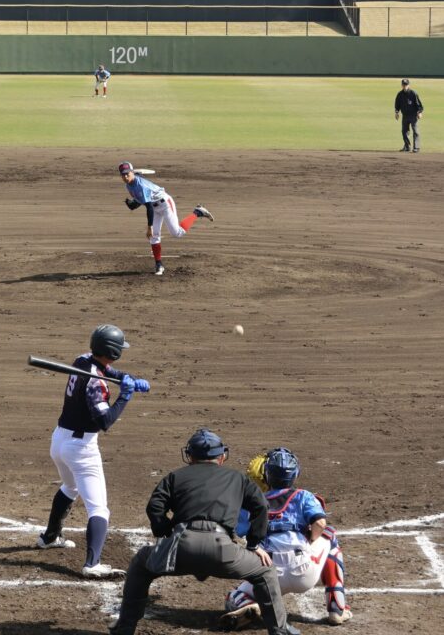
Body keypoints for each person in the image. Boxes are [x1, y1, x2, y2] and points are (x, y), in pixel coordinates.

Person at [109, 429, 299, 635]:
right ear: (222, 456)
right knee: (265, 571)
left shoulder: (175, 476)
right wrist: (253, 544)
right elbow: (261, 506)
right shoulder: (237, 478)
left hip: (181, 548)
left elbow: (155, 506)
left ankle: (125, 628)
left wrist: (165, 532)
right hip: (223, 550)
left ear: (190, 456)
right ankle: (279, 630)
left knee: (140, 564)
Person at [35, 324, 150, 578]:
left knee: (70, 487)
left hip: (59, 440)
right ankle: (92, 564)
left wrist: (127, 378)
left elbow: (108, 371)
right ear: (113, 351)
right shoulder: (96, 384)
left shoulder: (83, 359)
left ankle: (49, 537)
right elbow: (105, 421)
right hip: (81, 449)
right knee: (99, 509)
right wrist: (125, 396)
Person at [223, 448, 351, 629]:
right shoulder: (304, 496)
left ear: (267, 475)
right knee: (329, 535)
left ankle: (255, 605)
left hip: (269, 575)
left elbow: (236, 532)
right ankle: (337, 608)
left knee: (233, 597)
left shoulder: (253, 502)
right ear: (295, 474)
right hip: (304, 573)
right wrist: (311, 540)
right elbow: (320, 523)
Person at [119, 161, 214, 276]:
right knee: (154, 236)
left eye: (127, 174)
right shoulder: (128, 185)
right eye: (123, 174)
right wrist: (133, 204)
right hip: (154, 207)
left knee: (177, 233)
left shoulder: (141, 185)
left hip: (165, 204)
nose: (125, 176)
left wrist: (149, 227)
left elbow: (148, 207)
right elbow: (142, 200)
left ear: (132, 172)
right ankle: (159, 265)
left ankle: (197, 212)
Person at [394, 78, 423, 152]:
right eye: (403, 85)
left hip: (413, 115)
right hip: (405, 115)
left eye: (406, 85)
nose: (405, 86)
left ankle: (416, 147)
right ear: (401, 85)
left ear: (409, 85)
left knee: (415, 131)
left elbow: (419, 104)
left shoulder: (413, 93)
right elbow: (397, 104)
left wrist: (420, 112)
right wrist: (397, 112)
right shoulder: (400, 94)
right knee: (404, 131)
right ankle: (407, 146)